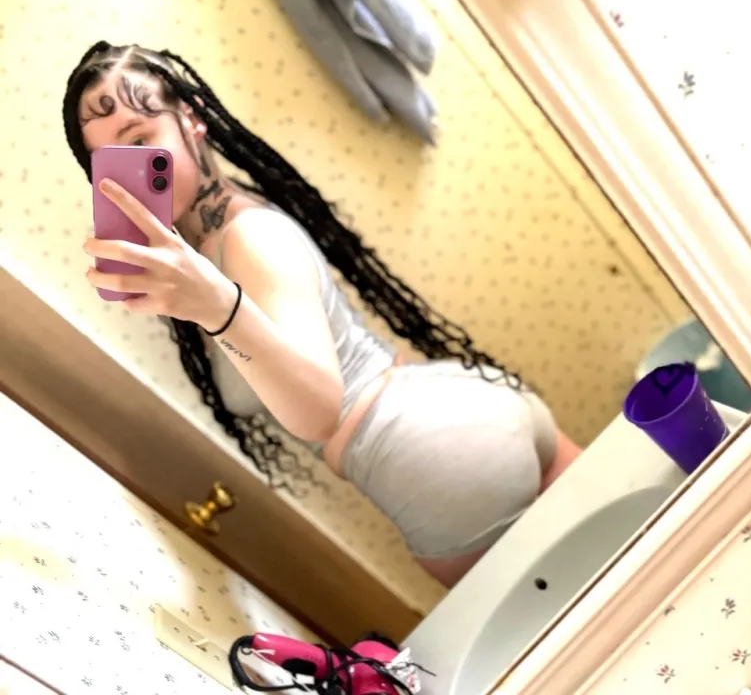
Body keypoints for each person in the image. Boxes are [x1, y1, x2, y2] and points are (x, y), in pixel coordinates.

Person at [62, 41, 581, 587]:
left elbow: (318, 414)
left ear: (190, 119)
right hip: (464, 409)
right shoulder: (218, 235)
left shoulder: (249, 238)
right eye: (114, 164)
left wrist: (215, 307)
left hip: (437, 465)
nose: (139, 171)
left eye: (142, 141)